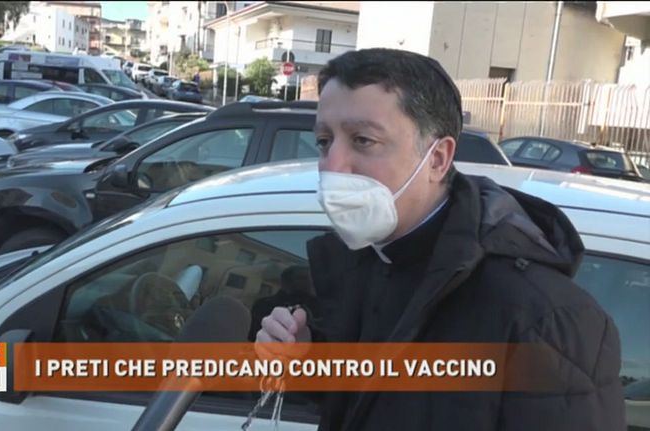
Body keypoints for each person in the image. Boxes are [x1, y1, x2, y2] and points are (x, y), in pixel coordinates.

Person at [256, 48, 624, 430]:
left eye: (363, 140)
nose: (332, 165)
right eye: (324, 141)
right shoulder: (367, 263)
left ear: (437, 159)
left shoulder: (544, 319)